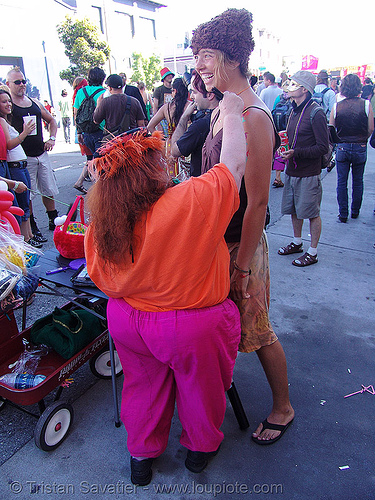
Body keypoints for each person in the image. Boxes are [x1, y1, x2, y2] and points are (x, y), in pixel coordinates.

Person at [85, 91, 246, 485]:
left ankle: (141, 458)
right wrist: (232, 110)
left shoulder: (103, 220)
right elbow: (235, 165)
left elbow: (100, 276)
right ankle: (198, 451)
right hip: (190, 325)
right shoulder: (189, 200)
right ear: (150, 172)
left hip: (127, 320)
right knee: (201, 389)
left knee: (142, 386)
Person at [192, 8, 294, 445]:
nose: (200, 65)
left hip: (242, 245)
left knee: (257, 326)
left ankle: (283, 408)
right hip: (220, 241)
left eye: (208, 55)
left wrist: (244, 267)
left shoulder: (253, 115)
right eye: (197, 55)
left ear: (232, 58)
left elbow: (257, 204)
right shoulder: (223, 107)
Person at [278, 70, 329, 266]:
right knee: (294, 210)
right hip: (292, 170)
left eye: (294, 84)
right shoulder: (293, 110)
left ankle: (313, 252)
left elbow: (322, 147)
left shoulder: (316, 113)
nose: (290, 87)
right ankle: (297, 242)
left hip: (308, 173)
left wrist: (296, 152)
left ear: (304, 89)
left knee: (311, 212)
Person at [7, 67, 59, 235]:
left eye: (24, 81)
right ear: (8, 84)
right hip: (22, 157)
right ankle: (32, 225)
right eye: (17, 82)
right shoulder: (7, 106)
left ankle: (53, 218)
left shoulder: (34, 101)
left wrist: (51, 138)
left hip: (40, 153)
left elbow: (51, 120)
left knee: (48, 188)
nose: (22, 84)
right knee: (27, 193)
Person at [329, 73, 374, 222]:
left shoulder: (337, 106)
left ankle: (343, 213)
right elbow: (370, 128)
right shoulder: (366, 104)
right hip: (360, 145)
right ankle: (355, 210)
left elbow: (332, 129)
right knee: (358, 180)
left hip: (342, 146)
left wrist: (338, 143)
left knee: (342, 182)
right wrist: (363, 139)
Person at [0, 87, 40, 247]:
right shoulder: (2, 121)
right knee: (18, 204)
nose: (8, 104)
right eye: (4, 102)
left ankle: (28, 237)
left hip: (15, 165)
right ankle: (25, 241)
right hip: (12, 166)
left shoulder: (5, 121)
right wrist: (25, 133)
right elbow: (9, 145)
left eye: (9, 101)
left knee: (24, 202)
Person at [171, 71, 219, 177]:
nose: (192, 96)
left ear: (210, 95)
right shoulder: (224, 115)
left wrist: (184, 117)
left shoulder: (200, 126)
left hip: (203, 187)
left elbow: (174, 151)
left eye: (194, 92)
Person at [147, 78, 189, 176]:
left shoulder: (166, 108)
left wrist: (162, 141)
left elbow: (150, 126)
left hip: (170, 145)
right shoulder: (190, 106)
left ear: (175, 91)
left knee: (172, 176)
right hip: (187, 144)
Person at [93, 74, 145, 141]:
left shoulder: (105, 102)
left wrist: (98, 104)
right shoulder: (134, 101)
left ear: (110, 88)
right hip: (131, 142)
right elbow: (141, 124)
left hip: (112, 143)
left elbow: (96, 120)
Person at [73, 67, 106, 157]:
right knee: (102, 163)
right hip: (102, 131)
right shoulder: (104, 93)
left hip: (86, 132)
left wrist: (79, 132)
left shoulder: (80, 92)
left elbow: (76, 113)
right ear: (102, 79)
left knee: (91, 161)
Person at [72, 77, 93, 194]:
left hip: (82, 130)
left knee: (91, 158)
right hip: (89, 130)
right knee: (92, 158)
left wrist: (79, 131)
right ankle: (80, 181)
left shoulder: (77, 95)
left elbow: (75, 114)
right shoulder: (83, 93)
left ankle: (82, 180)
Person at [152, 67, 174, 136]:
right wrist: (158, 123)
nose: (170, 76)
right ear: (164, 78)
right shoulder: (159, 90)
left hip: (173, 118)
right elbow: (155, 107)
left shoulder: (175, 88)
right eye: (168, 75)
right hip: (162, 119)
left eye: (171, 75)